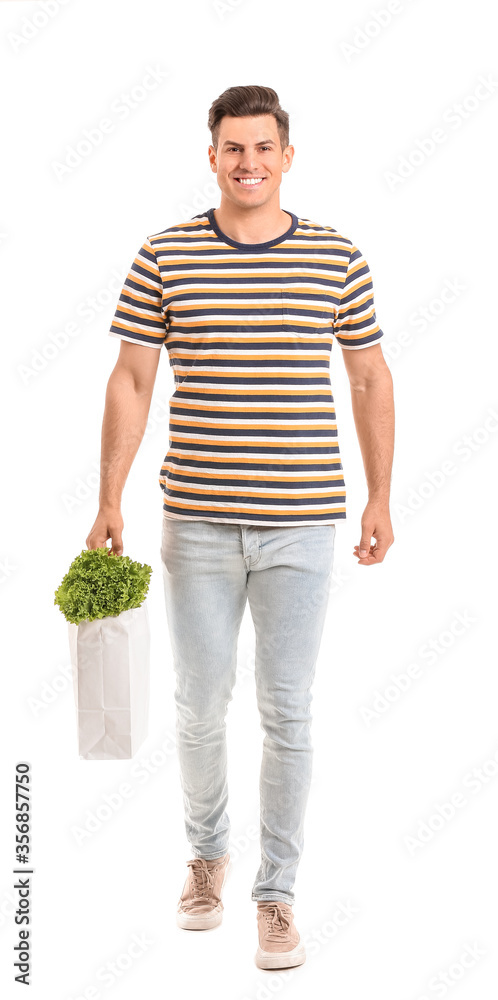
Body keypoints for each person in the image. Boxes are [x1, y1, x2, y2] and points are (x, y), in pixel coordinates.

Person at [86, 84, 395, 970]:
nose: (249, 162)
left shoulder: (337, 257)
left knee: (288, 710)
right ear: (212, 156)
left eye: (265, 147)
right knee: (197, 703)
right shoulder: (165, 255)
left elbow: (370, 378)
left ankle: (278, 895)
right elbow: (132, 380)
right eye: (233, 148)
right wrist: (110, 496)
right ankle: (206, 859)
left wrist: (381, 497)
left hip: (305, 521)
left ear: (288, 155)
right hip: (197, 522)